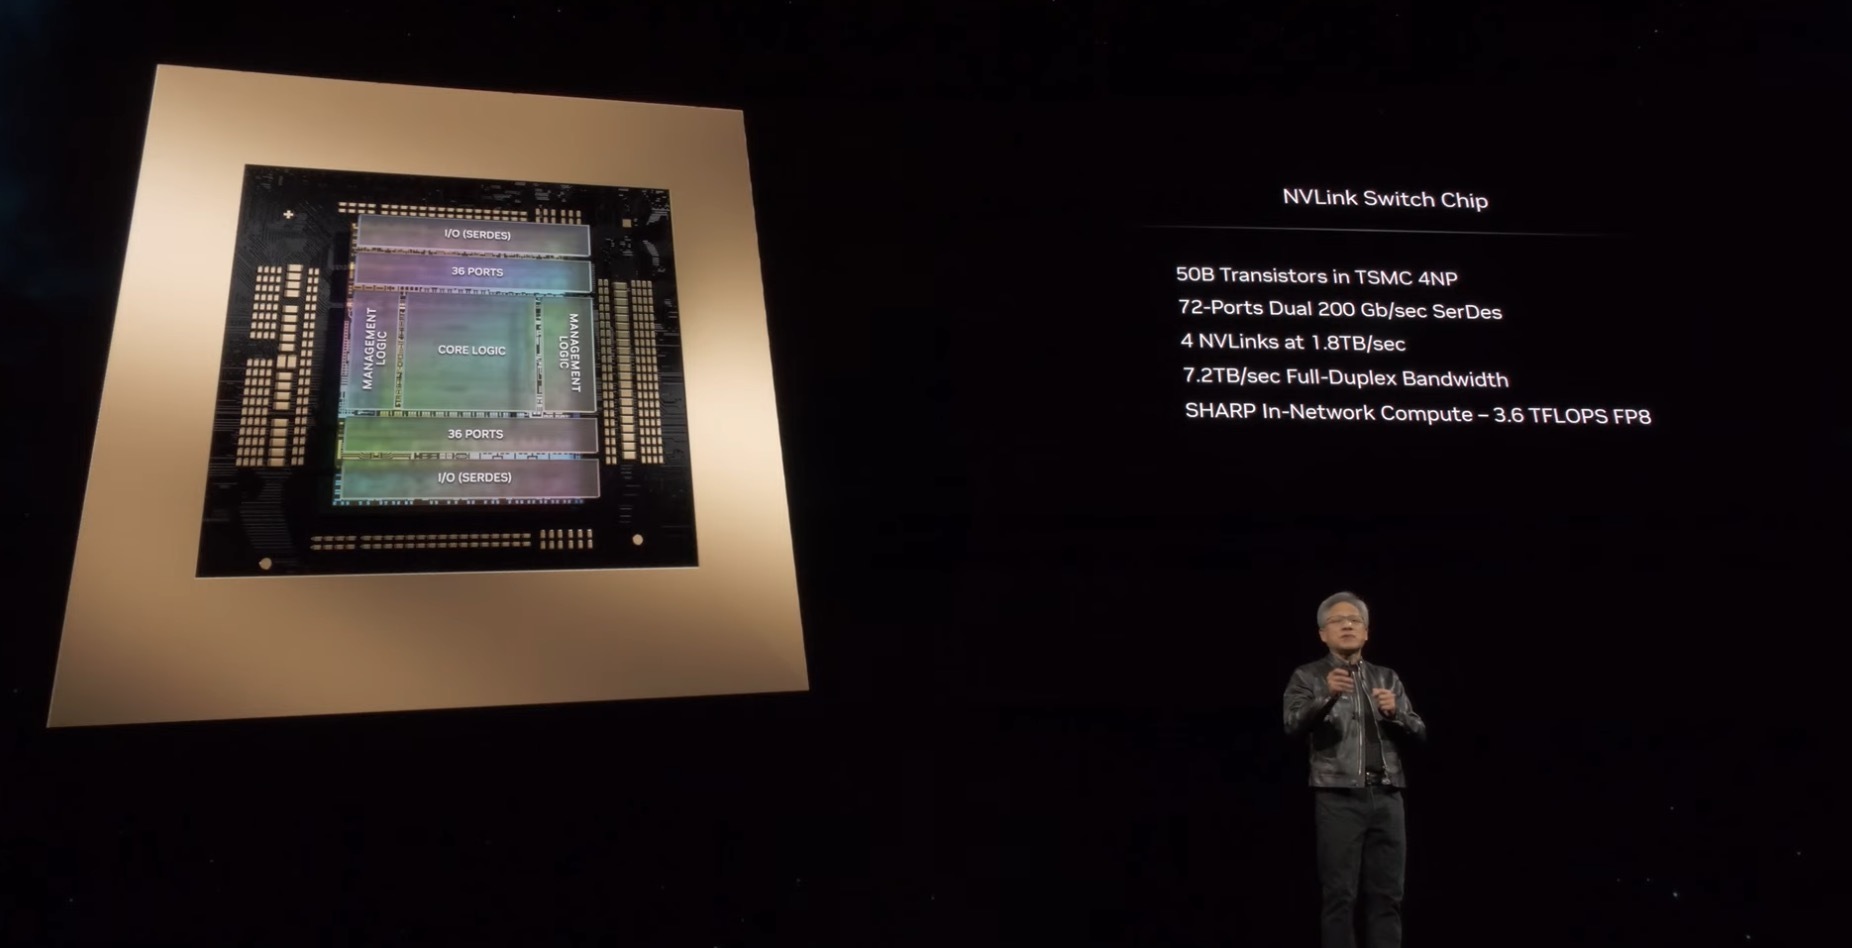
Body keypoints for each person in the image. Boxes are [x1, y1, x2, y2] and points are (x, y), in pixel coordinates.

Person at [1283, 591, 1427, 948]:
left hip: (1387, 796)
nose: (1347, 625)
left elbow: (1420, 732)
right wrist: (1326, 696)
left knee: (1388, 896)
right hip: (1339, 797)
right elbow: (1292, 726)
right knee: (1340, 896)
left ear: (1366, 632)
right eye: (1337, 621)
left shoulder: (1387, 677)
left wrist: (1397, 714)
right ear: (1323, 633)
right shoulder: (1308, 676)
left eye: (1355, 621)